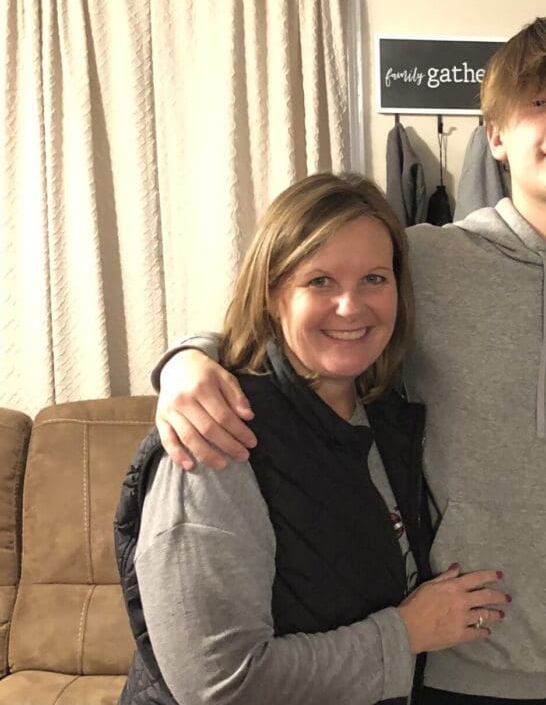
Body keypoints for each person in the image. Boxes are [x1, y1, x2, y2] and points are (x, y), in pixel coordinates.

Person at [150, 18, 546, 704]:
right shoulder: (422, 262)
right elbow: (298, 318)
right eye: (537, 103)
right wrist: (186, 363)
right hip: (453, 661)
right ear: (495, 136)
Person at [115, 173, 509, 705]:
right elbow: (221, 686)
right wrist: (407, 632)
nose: (351, 307)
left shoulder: (384, 412)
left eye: (374, 278)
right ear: (274, 294)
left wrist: (189, 353)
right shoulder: (216, 440)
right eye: (320, 281)